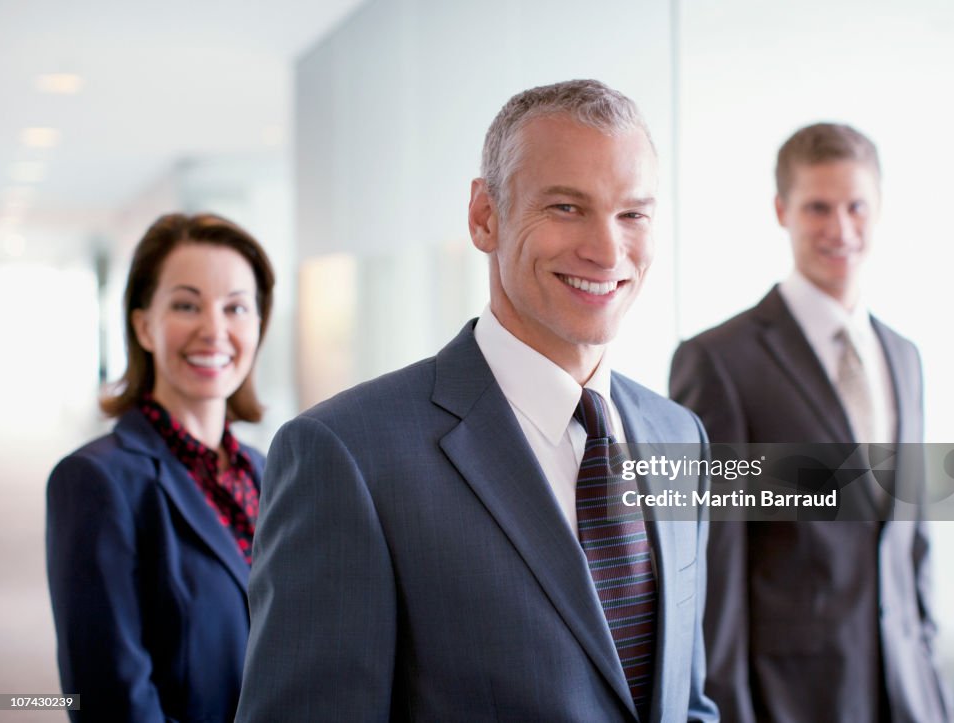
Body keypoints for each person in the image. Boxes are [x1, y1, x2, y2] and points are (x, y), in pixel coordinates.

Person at [237, 79, 716, 722]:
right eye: (567, 207)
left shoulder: (679, 434)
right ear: (484, 216)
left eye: (632, 213)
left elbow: (685, 704)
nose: (607, 250)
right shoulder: (346, 456)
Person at [669, 123, 952, 722]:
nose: (841, 229)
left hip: (909, 692)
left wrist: (933, 685)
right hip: (791, 700)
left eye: (857, 207)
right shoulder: (721, 361)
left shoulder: (905, 356)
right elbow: (716, 570)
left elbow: (912, 541)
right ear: (782, 211)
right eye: (818, 207)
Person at [46, 212, 275, 722]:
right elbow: (110, 699)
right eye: (186, 305)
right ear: (143, 326)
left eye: (236, 307)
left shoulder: (267, 472)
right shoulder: (97, 480)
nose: (214, 330)